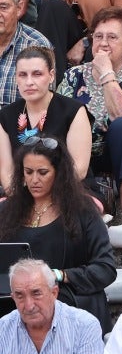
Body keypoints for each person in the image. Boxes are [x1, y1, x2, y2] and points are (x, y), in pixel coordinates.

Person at [0, 131, 115, 330]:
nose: (34, 179)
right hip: (13, 304)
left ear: (59, 173)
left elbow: (105, 268)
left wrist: (60, 275)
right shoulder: (6, 210)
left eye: (42, 172)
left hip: (67, 302)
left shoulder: (83, 210)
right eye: (28, 172)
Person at [56, 7, 122, 219]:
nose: (103, 43)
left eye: (112, 37)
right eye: (98, 36)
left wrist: (106, 73)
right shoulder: (73, 75)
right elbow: (59, 117)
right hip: (88, 154)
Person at [0, 48, 92, 191]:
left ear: (51, 76)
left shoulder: (73, 110)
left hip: (70, 190)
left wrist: (43, 196)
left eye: (37, 74)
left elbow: (79, 169)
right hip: (22, 193)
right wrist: (22, 197)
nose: (29, 82)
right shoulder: (6, 115)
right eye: (22, 75)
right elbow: (6, 172)